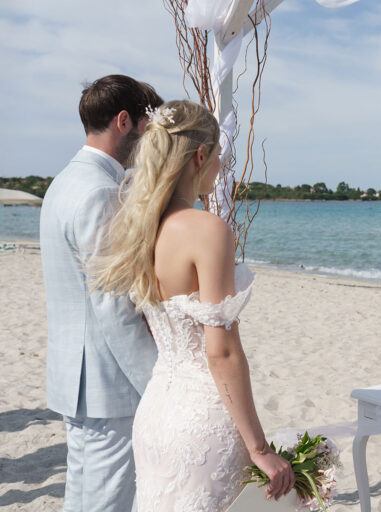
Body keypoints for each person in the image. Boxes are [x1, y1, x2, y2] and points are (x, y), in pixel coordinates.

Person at [89, 100, 294, 511]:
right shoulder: (207, 230)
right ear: (200, 156)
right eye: (218, 156)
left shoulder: (138, 230)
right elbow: (221, 351)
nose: (218, 166)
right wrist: (259, 448)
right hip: (204, 419)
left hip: (156, 416)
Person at [40, 74, 163, 511]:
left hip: (78, 374)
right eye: (150, 130)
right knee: (106, 499)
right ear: (124, 121)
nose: (150, 143)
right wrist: (159, 385)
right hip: (105, 381)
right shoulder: (100, 193)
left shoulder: (63, 183)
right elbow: (114, 307)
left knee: (85, 493)